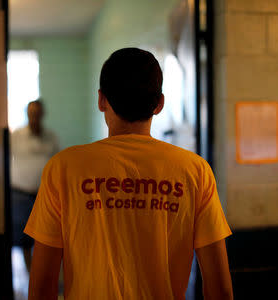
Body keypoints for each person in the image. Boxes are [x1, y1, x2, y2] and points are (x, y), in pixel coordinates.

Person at [25, 48, 233, 299]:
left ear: (101, 100)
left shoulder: (63, 168)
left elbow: (41, 286)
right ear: (159, 104)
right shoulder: (194, 171)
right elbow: (219, 288)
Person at [10, 100, 60, 272]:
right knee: (23, 235)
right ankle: (29, 272)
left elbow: (56, 163)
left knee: (45, 234)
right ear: (27, 113)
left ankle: (41, 271)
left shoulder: (51, 137)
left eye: (37, 112)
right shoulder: (16, 135)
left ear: (43, 114)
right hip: (20, 193)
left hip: (43, 194)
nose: (34, 116)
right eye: (31, 112)